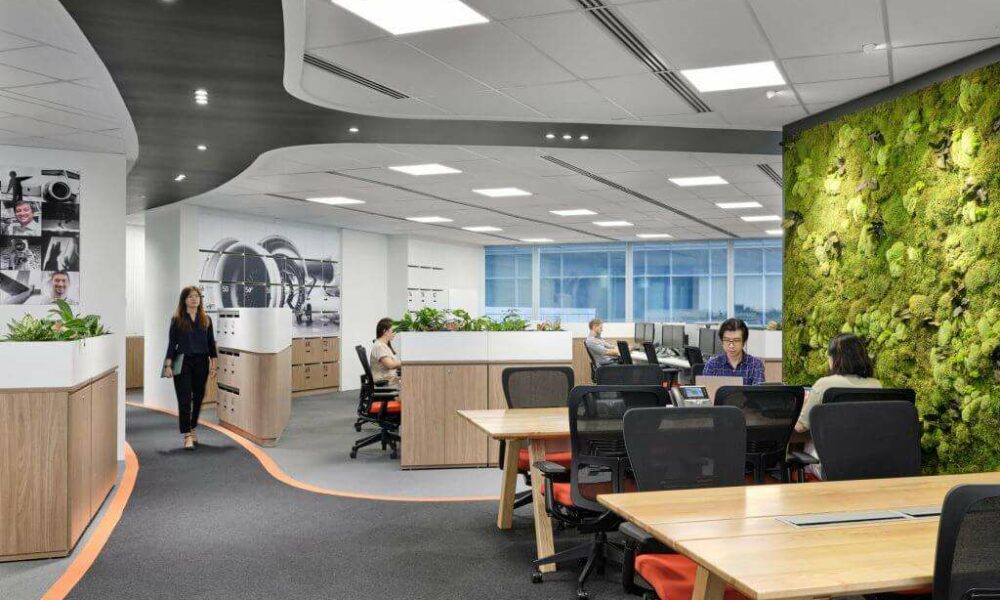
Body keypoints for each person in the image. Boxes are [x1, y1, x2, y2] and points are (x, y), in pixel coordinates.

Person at [795, 333, 882, 479]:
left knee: (807, 444)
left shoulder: (824, 384)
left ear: (834, 359)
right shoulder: (876, 385)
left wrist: (803, 405)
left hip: (831, 466)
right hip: (870, 463)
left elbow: (800, 427)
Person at [163, 286, 218, 450]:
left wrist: (214, 365)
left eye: (197, 296)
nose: (194, 299)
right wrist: (168, 365)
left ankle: (192, 426)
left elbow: (211, 344)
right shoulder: (177, 319)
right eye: (190, 296)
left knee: (199, 397)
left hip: (202, 362)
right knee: (184, 398)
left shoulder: (206, 320)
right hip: (182, 361)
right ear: (184, 300)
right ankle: (187, 434)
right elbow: (172, 344)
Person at [702, 318, 765, 385]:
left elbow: (758, 391)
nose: (731, 345)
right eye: (727, 340)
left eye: (736, 340)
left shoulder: (755, 365)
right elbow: (705, 389)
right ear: (722, 341)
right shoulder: (712, 364)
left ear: (744, 342)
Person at [370, 317, 401, 388]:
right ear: (385, 331)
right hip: (385, 382)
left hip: (389, 379)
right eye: (393, 330)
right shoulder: (379, 346)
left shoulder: (383, 345)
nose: (395, 333)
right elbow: (390, 365)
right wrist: (405, 363)